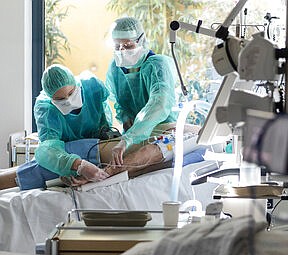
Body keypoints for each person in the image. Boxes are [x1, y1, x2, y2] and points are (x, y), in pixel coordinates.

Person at [0, 64, 115, 190]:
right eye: (60, 99)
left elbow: (105, 115)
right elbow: (47, 150)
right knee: (35, 172)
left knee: (31, 171)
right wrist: (76, 165)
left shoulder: (92, 87)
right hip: (65, 152)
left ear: (77, 84)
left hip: (97, 144)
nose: (68, 100)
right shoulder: (46, 108)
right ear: (51, 98)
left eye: (71, 93)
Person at [106, 16, 178, 167]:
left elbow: (159, 105)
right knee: (117, 161)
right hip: (135, 134)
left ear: (141, 40)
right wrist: (125, 118)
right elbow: (119, 103)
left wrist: (128, 139)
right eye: (117, 46)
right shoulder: (115, 69)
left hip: (162, 129)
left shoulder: (157, 65)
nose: (122, 51)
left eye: (128, 45)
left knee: (136, 161)